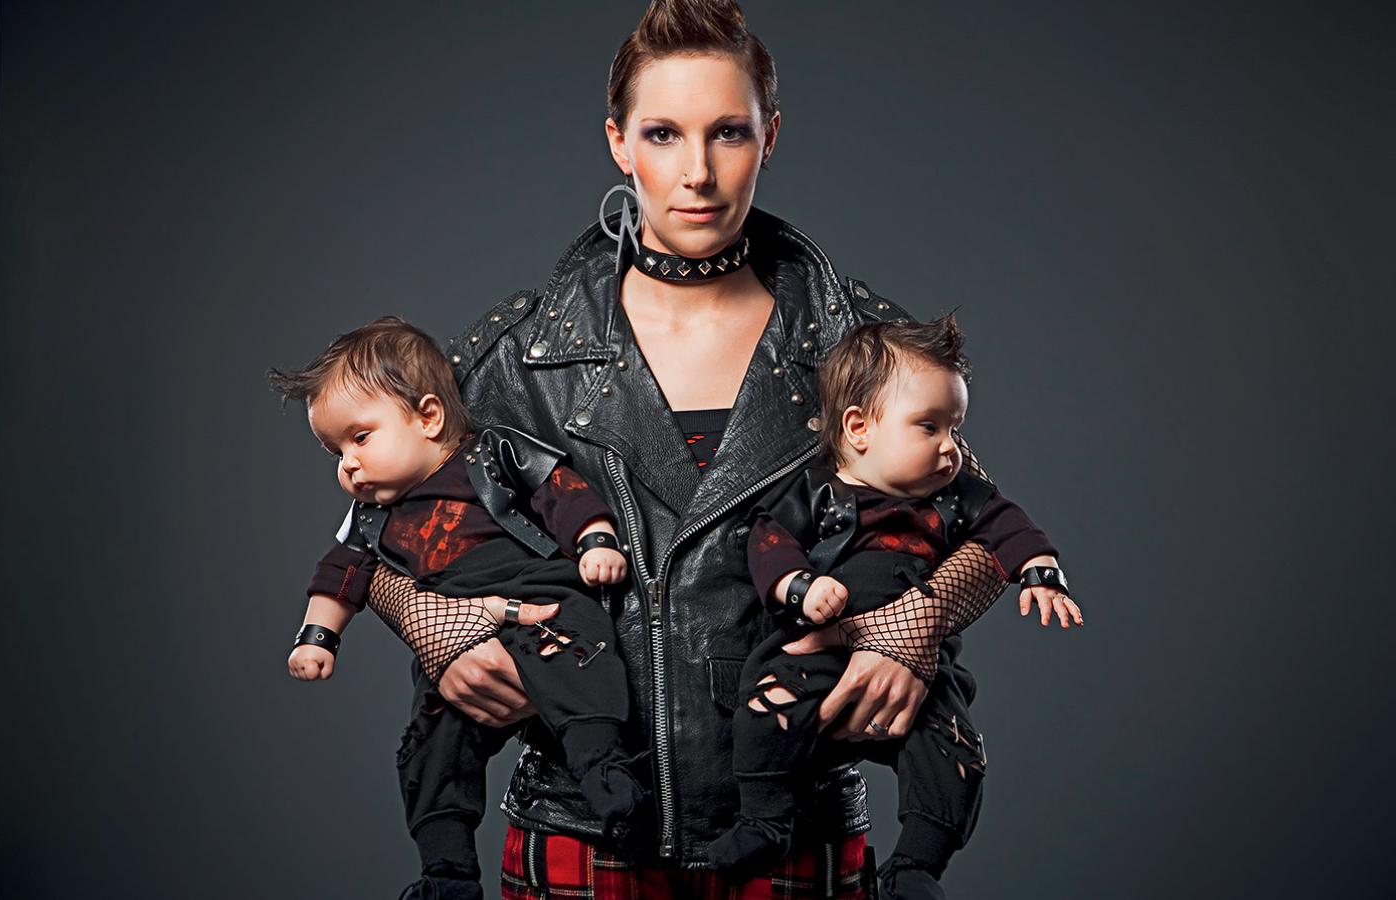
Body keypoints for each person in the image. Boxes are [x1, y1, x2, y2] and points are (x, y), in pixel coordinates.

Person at [371, 1, 1044, 895]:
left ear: (771, 137)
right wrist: (432, 625)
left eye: (728, 132)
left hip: (793, 832)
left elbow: (986, 530)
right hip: (579, 831)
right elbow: (372, 534)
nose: (697, 172)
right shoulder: (523, 354)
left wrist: (913, 626)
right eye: (663, 134)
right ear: (618, 143)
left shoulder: (857, 344)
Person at [270, 317, 649, 900]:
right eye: (335, 451)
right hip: (455, 635)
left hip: (540, 596)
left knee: (581, 663)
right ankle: (446, 872)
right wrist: (317, 636)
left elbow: (561, 490)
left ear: (428, 417)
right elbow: (340, 575)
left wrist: (595, 540)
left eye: (360, 438)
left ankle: (605, 770)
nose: (347, 463)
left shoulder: (492, 454)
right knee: (429, 750)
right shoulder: (370, 516)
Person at [707, 315, 1082, 897]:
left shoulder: (956, 492)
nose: (950, 447)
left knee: (955, 753)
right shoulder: (815, 489)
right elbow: (768, 540)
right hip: (816, 649)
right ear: (858, 427)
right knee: (765, 706)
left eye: (955, 428)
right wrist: (799, 587)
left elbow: (1009, 525)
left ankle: (915, 866)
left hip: (919, 666)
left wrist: (1039, 572)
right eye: (930, 427)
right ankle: (765, 819)